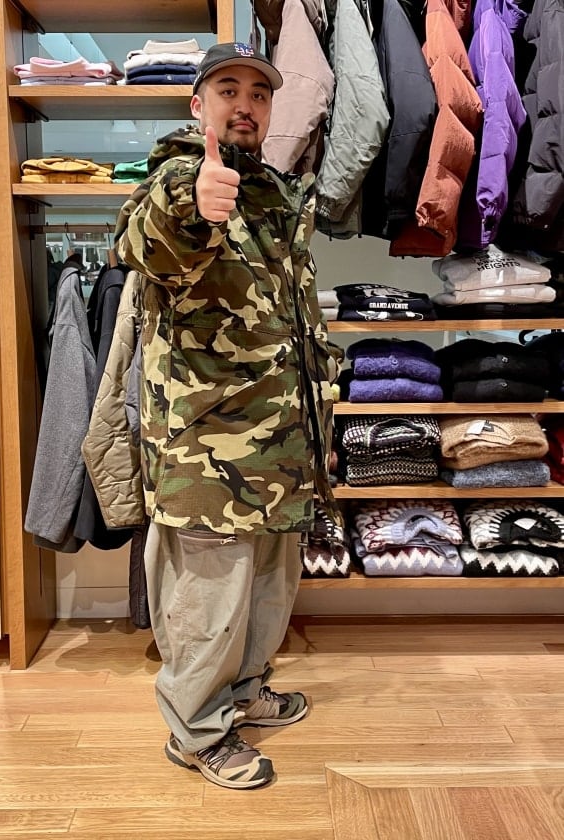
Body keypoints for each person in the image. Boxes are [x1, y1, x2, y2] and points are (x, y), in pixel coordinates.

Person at [117, 41, 342, 790]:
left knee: (268, 593)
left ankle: (244, 694)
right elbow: (146, 240)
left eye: (258, 93)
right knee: (206, 605)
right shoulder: (181, 176)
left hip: (279, 448)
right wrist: (193, 203)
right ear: (198, 105)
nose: (245, 105)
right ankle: (197, 731)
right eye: (227, 90)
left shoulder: (275, 196)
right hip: (206, 453)